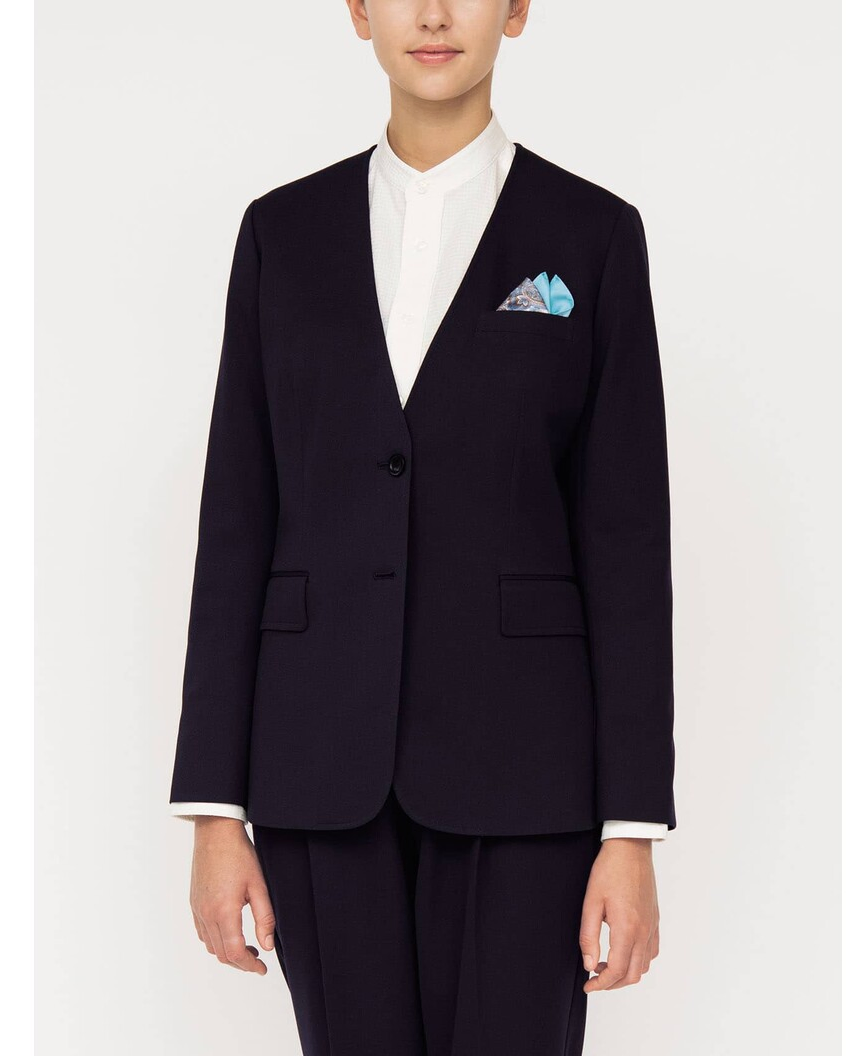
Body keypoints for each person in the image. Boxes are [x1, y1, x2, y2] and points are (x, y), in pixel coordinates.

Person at [168, 2, 676, 1053]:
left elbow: (627, 541)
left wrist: (630, 829)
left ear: (517, 9)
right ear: (358, 11)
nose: (434, 14)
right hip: (319, 768)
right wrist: (215, 809)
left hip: (527, 776)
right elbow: (237, 522)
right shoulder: (280, 234)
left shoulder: (592, 235)